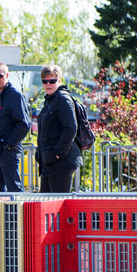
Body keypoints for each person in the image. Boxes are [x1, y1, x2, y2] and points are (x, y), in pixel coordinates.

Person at [36, 65, 82, 193]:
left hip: (61, 163)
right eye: (45, 81)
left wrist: (57, 153)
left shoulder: (62, 98)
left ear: (60, 81)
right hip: (48, 162)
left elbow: (71, 128)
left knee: (58, 204)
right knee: (45, 203)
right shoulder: (50, 100)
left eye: (52, 81)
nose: (48, 84)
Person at [0, 62, 31, 192]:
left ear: (7, 75)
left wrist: (8, 146)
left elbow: (24, 124)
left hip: (8, 151)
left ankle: (18, 213)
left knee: (13, 190)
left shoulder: (14, 96)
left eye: (0, 76)